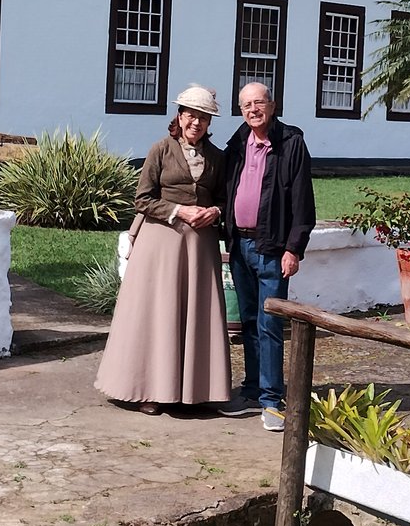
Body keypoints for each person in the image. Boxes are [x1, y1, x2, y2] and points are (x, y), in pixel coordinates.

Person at [95, 84, 231, 414]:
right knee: (157, 313)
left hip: (199, 247)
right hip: (161, 243)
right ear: (179, 116)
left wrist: (215, 211)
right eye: (191, 116)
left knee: (196, 313)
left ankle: (193, 391)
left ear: (209, 123)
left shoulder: (217, 158)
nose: (196, 123)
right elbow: (143, 199)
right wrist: (178, 211)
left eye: (203, 118)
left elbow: (225, 199)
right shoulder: (160, 150)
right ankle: (148, 390)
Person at [224, 81, 315, 431]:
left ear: (273, 106)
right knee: (248, 322)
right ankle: (251, 389)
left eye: (259, 103)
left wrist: (294, 248)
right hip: (240, 247)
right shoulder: (237, 143)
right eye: (246, 105)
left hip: (273, 249)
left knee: (270, 325)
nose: (253, 110)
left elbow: (302, 202)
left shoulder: (290, 143)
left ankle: (271, 400)